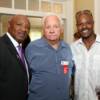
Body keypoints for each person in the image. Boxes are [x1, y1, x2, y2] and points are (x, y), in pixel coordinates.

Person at [25, 14, 74, 100]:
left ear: (61, 29)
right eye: (48, 27)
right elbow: (24, 77)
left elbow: (70, 73)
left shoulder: (67, 48)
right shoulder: (32, 48)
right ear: (43, 30)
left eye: (55, 26)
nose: (52, 30)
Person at [71, 9, 100, 100]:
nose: (84, 27)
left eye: (88, 23)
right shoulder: (72, 48)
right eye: (80, 24)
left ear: (93, 23)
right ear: (77, 26)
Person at [0, 15, 30, 100]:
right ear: (9, 25)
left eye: (27, 27)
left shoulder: (22, 49)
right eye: (19, 25)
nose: (24, 29)